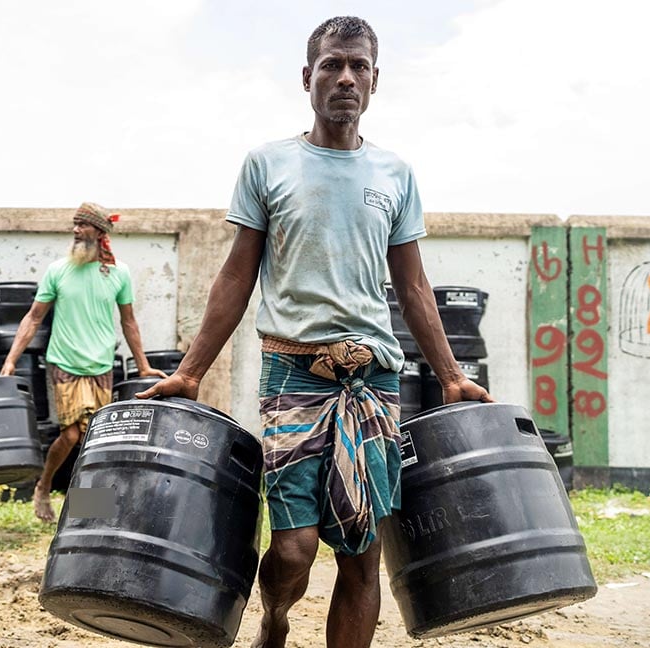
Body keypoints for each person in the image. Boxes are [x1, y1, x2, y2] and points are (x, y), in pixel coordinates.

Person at [140, 16, 493, 648]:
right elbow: (235, 277)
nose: (346, 77)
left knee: (360, 553)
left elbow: (412, 288)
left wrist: (452, 376)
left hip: (374, 379)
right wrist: (190, 371)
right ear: (308, 77)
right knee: (296, 547)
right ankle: (274, 617)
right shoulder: (267, 163)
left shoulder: (396, 174)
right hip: (294, 373)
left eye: (358, 66)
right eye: (332, 65)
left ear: (375, 81)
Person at [1, 202, 167, 522]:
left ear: (100, 232)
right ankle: (44, 486)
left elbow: (129, 322)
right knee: (72, 435)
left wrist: (143, 366)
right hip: (65, 362)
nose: (76, 230)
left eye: (83, 225)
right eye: (75, 224)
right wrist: (10, 361)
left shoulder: (119, 273)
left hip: (101, 366)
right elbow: (34, 318)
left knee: (94, 438)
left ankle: (88, 513)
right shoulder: (58, 270)